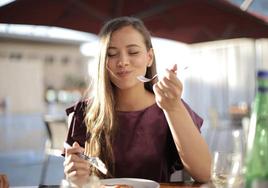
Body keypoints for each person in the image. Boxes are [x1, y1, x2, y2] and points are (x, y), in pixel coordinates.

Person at [63, 16, 211, 186]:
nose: (122, 62)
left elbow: (204, 174)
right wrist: (76, 178)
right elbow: (77, 179)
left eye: (133, 52)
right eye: (111, 54)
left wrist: (173, 108)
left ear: (149, 57)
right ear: (102, 61)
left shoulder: (170, 107)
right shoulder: (84, 112)